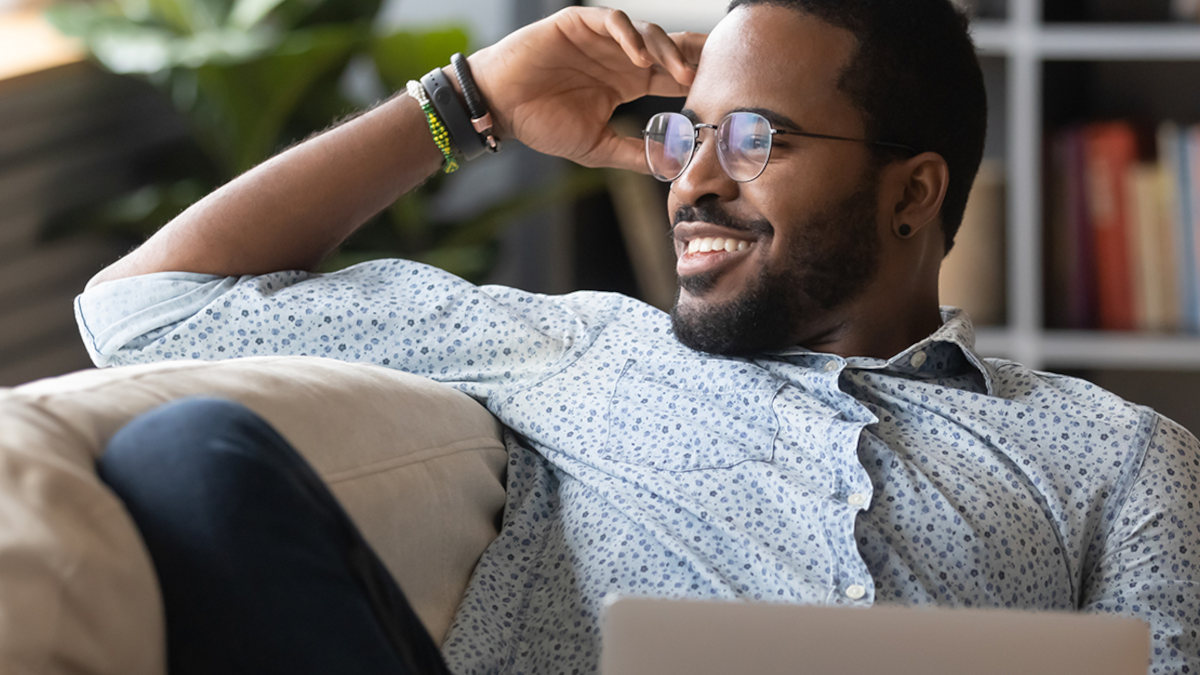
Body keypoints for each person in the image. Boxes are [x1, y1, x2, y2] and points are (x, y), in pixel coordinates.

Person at [75, 1, 1200, 673]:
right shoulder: (578, 351)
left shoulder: (1114, 454)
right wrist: (474, 100)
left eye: (755, 139)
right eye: (684, 136)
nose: (691, 184)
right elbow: (144, 314)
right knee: (188, 460)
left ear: (912, 194)